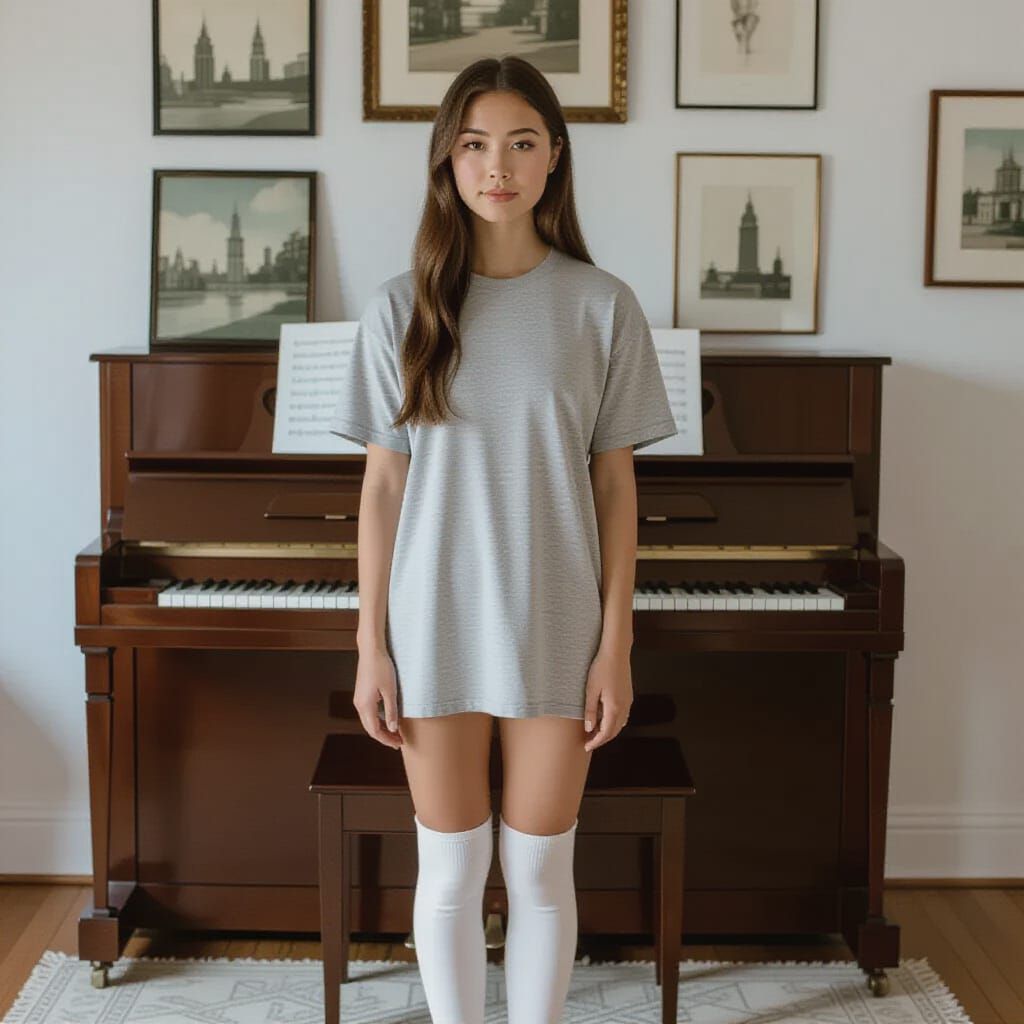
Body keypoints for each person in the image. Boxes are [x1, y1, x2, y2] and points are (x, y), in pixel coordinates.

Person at [329, 55, 677, 1024]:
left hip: (557, 624)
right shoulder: (400, 308)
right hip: (432, 620)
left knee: (538, 868)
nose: (499, 164)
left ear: (554, 159)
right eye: (475, 143)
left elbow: (615, 486)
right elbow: (382, 488)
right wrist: (370, 645)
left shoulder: (601, 305)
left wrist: (616, 645)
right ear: (447, 160)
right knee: (448, 868)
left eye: (522, 141)